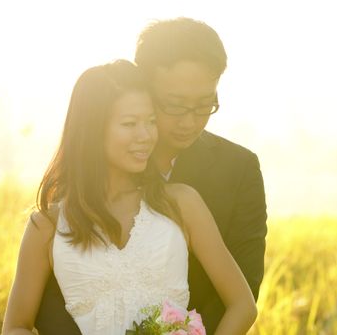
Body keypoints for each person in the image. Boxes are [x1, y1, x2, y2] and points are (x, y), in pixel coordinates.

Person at [34, 17, 268, 335]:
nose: (190, 121)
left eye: (204, 105)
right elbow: (57, 285)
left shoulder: (239, 169)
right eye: (175, 105)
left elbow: (244, 283)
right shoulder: (86, 175)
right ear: (143, 85)